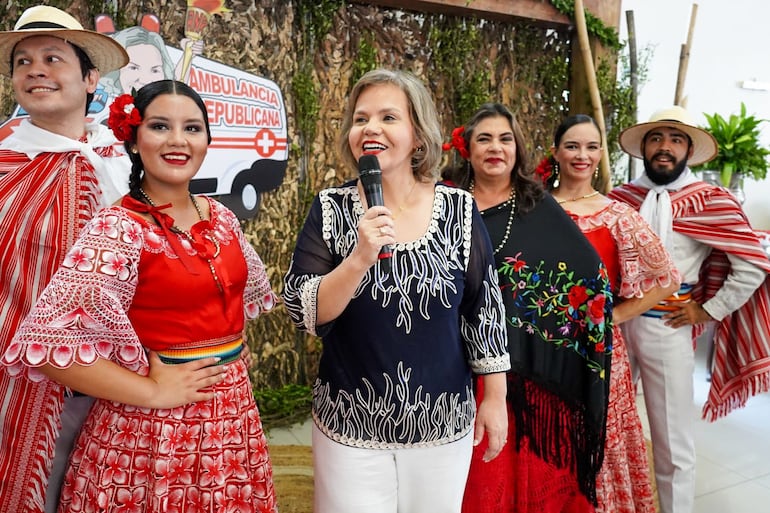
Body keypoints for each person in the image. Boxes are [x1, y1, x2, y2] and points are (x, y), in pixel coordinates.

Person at [3, 79, 279, 512]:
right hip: (150, 431)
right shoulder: (119, 228)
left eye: (192, 128)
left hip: (232, 419)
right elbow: (49, 346)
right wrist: (153, 392)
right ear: (133, 139)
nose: (177, 140)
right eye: (160, 126)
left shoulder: (222, 217)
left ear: (207, 139)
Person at [282, 70, 510, 513]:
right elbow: (306, 311)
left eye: (388, 117)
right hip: (350, 424)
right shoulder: (330, 209)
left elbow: (483, 309)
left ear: (417, 136)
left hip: (443, 424)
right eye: (361, 118)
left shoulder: (459, 208)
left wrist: (495, 398)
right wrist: (359, 258)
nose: (370, 128)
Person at [441, 103, 614, 513]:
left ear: (517, 147)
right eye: (484, 139)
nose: (495, 148)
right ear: (467, 148)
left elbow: (591, 277)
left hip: (523, 376)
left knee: (510, 473)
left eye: (505, 139)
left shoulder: (537, 204)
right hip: (452, 364)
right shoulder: (444, 199)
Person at [0, 6, 130, 512]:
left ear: (90, 77)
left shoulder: (121, 159)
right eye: (23, 62)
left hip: (120, 382)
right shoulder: (5, 162)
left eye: (53, 58)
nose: (35, 70)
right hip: (20, 384)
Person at [608, 105, 770, 513]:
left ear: (688, 150)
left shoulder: (709, 200)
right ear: (643, 147)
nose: (665, 148)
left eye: (676, 140)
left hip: (668, 323)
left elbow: (752, 263)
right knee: (606, 426)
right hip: (614, 324)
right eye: (657, 138)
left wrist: (709, 311)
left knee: (672, 437)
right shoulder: (620, 199)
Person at [547, 114, 680, 513]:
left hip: (598, 350)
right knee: (549, 437)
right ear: (555, 152)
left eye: (591, 147)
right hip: (543, 348)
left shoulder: (617, 215)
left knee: (595, 442)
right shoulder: (534, 209)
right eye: (572, 146)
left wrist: (616, 316)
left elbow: (668, 278)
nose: (582, 155)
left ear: (600, 154)